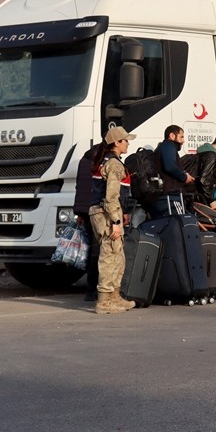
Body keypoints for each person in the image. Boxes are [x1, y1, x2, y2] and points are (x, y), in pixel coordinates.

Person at [89, 125, 137, 314]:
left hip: (102, 213)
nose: (128, 144)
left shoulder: (104, 161)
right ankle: (104, 302)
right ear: (116, 142)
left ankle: (114, 297)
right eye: (125, 141)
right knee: (110, 257)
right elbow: (111, 197)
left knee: (118, 256)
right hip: (107, 215)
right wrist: (116, 222)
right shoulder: (115, 165)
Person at [73, 142, 104, 303]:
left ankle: (90, 289)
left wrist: (80, 212)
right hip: (96, 210)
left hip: (84, 211)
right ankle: (93, 290)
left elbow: (80, 187)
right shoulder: (99, 164)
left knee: (91, 248)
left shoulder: (83, 162)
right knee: (97, 251)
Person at [151, 124, 191, 217]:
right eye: (181, 137)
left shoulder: (164, 147)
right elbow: (170, 167)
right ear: (172, 136)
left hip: (166, 195)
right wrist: (184, 177)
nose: (183, 141)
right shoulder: (168, 146)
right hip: (170, 196)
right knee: (178, 221)